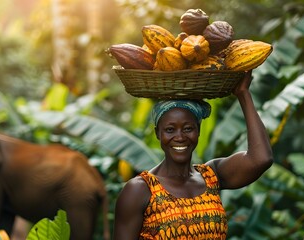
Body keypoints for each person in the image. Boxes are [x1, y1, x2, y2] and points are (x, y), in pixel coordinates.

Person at [113, 70, 273, 239]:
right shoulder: (140, 190)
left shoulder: (212, 176)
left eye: (188, 128)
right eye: (170, 130)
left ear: (198, 131)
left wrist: (243, 94)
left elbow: (261, 158)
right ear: (158, 134)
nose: (180, 137)